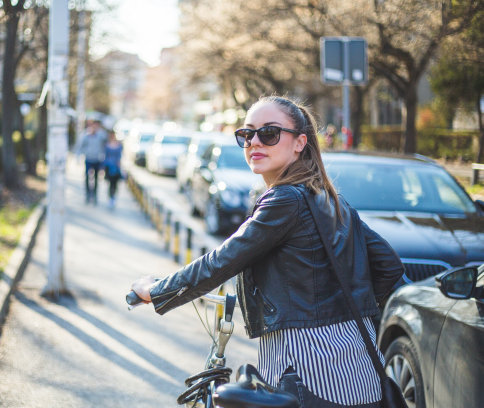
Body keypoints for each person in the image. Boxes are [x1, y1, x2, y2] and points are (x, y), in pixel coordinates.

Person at [131, 95, 404, 408]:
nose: (254, 142)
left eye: (269, 133)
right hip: (359, 361)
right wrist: (341, 311)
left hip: (308, 364)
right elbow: (389, 267)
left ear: (300, 142)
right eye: (247, 134)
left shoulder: (285, 201)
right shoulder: (331, 199)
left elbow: (222, 261)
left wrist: (154, 290)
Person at [76, 120, 108, 204]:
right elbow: (81, 146)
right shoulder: (86, 135)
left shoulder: (101, 135)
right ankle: (87, 195)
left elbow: (106, 142)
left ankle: (95, 196)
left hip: (98, 159)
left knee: (96, 179)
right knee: (87, 177)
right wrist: (79, 156)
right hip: (88, 159)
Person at [103, 130, 123, 209]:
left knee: (115, 184)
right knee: (110, 183)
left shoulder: (119, 145)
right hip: (108, 167)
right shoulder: (107, 145)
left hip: (116, 167)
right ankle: (111, 197)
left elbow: (120, 156)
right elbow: (105, 156)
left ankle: (113, 197)